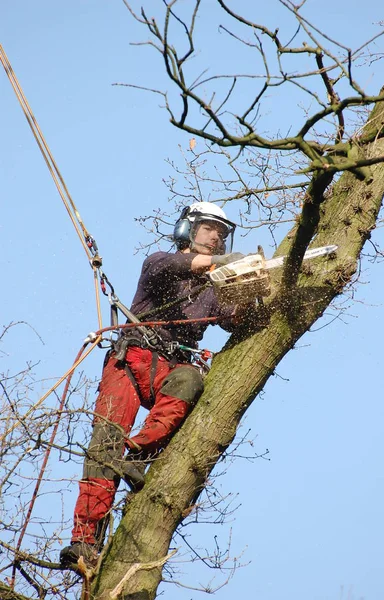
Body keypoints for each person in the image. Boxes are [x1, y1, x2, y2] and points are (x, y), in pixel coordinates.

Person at [59, 202, 245, 566]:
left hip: (173, 370)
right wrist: (219, 264)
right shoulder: (160, 263)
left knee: (191, 379)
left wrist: (256, 287)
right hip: (130, 361)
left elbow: (239, 319)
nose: (215, 237)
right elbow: (175, 265)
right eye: (209, 228)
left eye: (221, 234)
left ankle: (139, 455)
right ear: (188, 230)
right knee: (104, 445)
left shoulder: (215, 290)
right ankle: (85, 542)